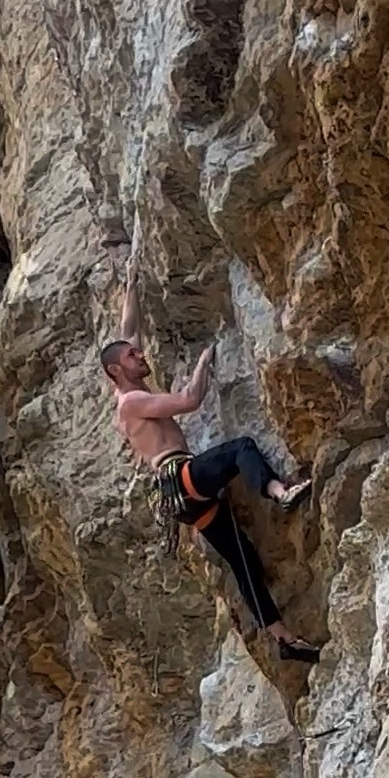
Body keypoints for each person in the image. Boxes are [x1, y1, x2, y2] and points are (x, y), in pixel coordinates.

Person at [100, 257, 319, 662]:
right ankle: (280, 491)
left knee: (242, 558)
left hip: (181, 498)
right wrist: (202, 364)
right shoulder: (131, 401)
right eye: (135, 356)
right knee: (240, 450)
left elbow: (126, 331)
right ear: (118, 369)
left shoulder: (123, 387)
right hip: (179, 476)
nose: (142, 355)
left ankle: (283, 638)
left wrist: (130, 281)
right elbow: (189, 400)